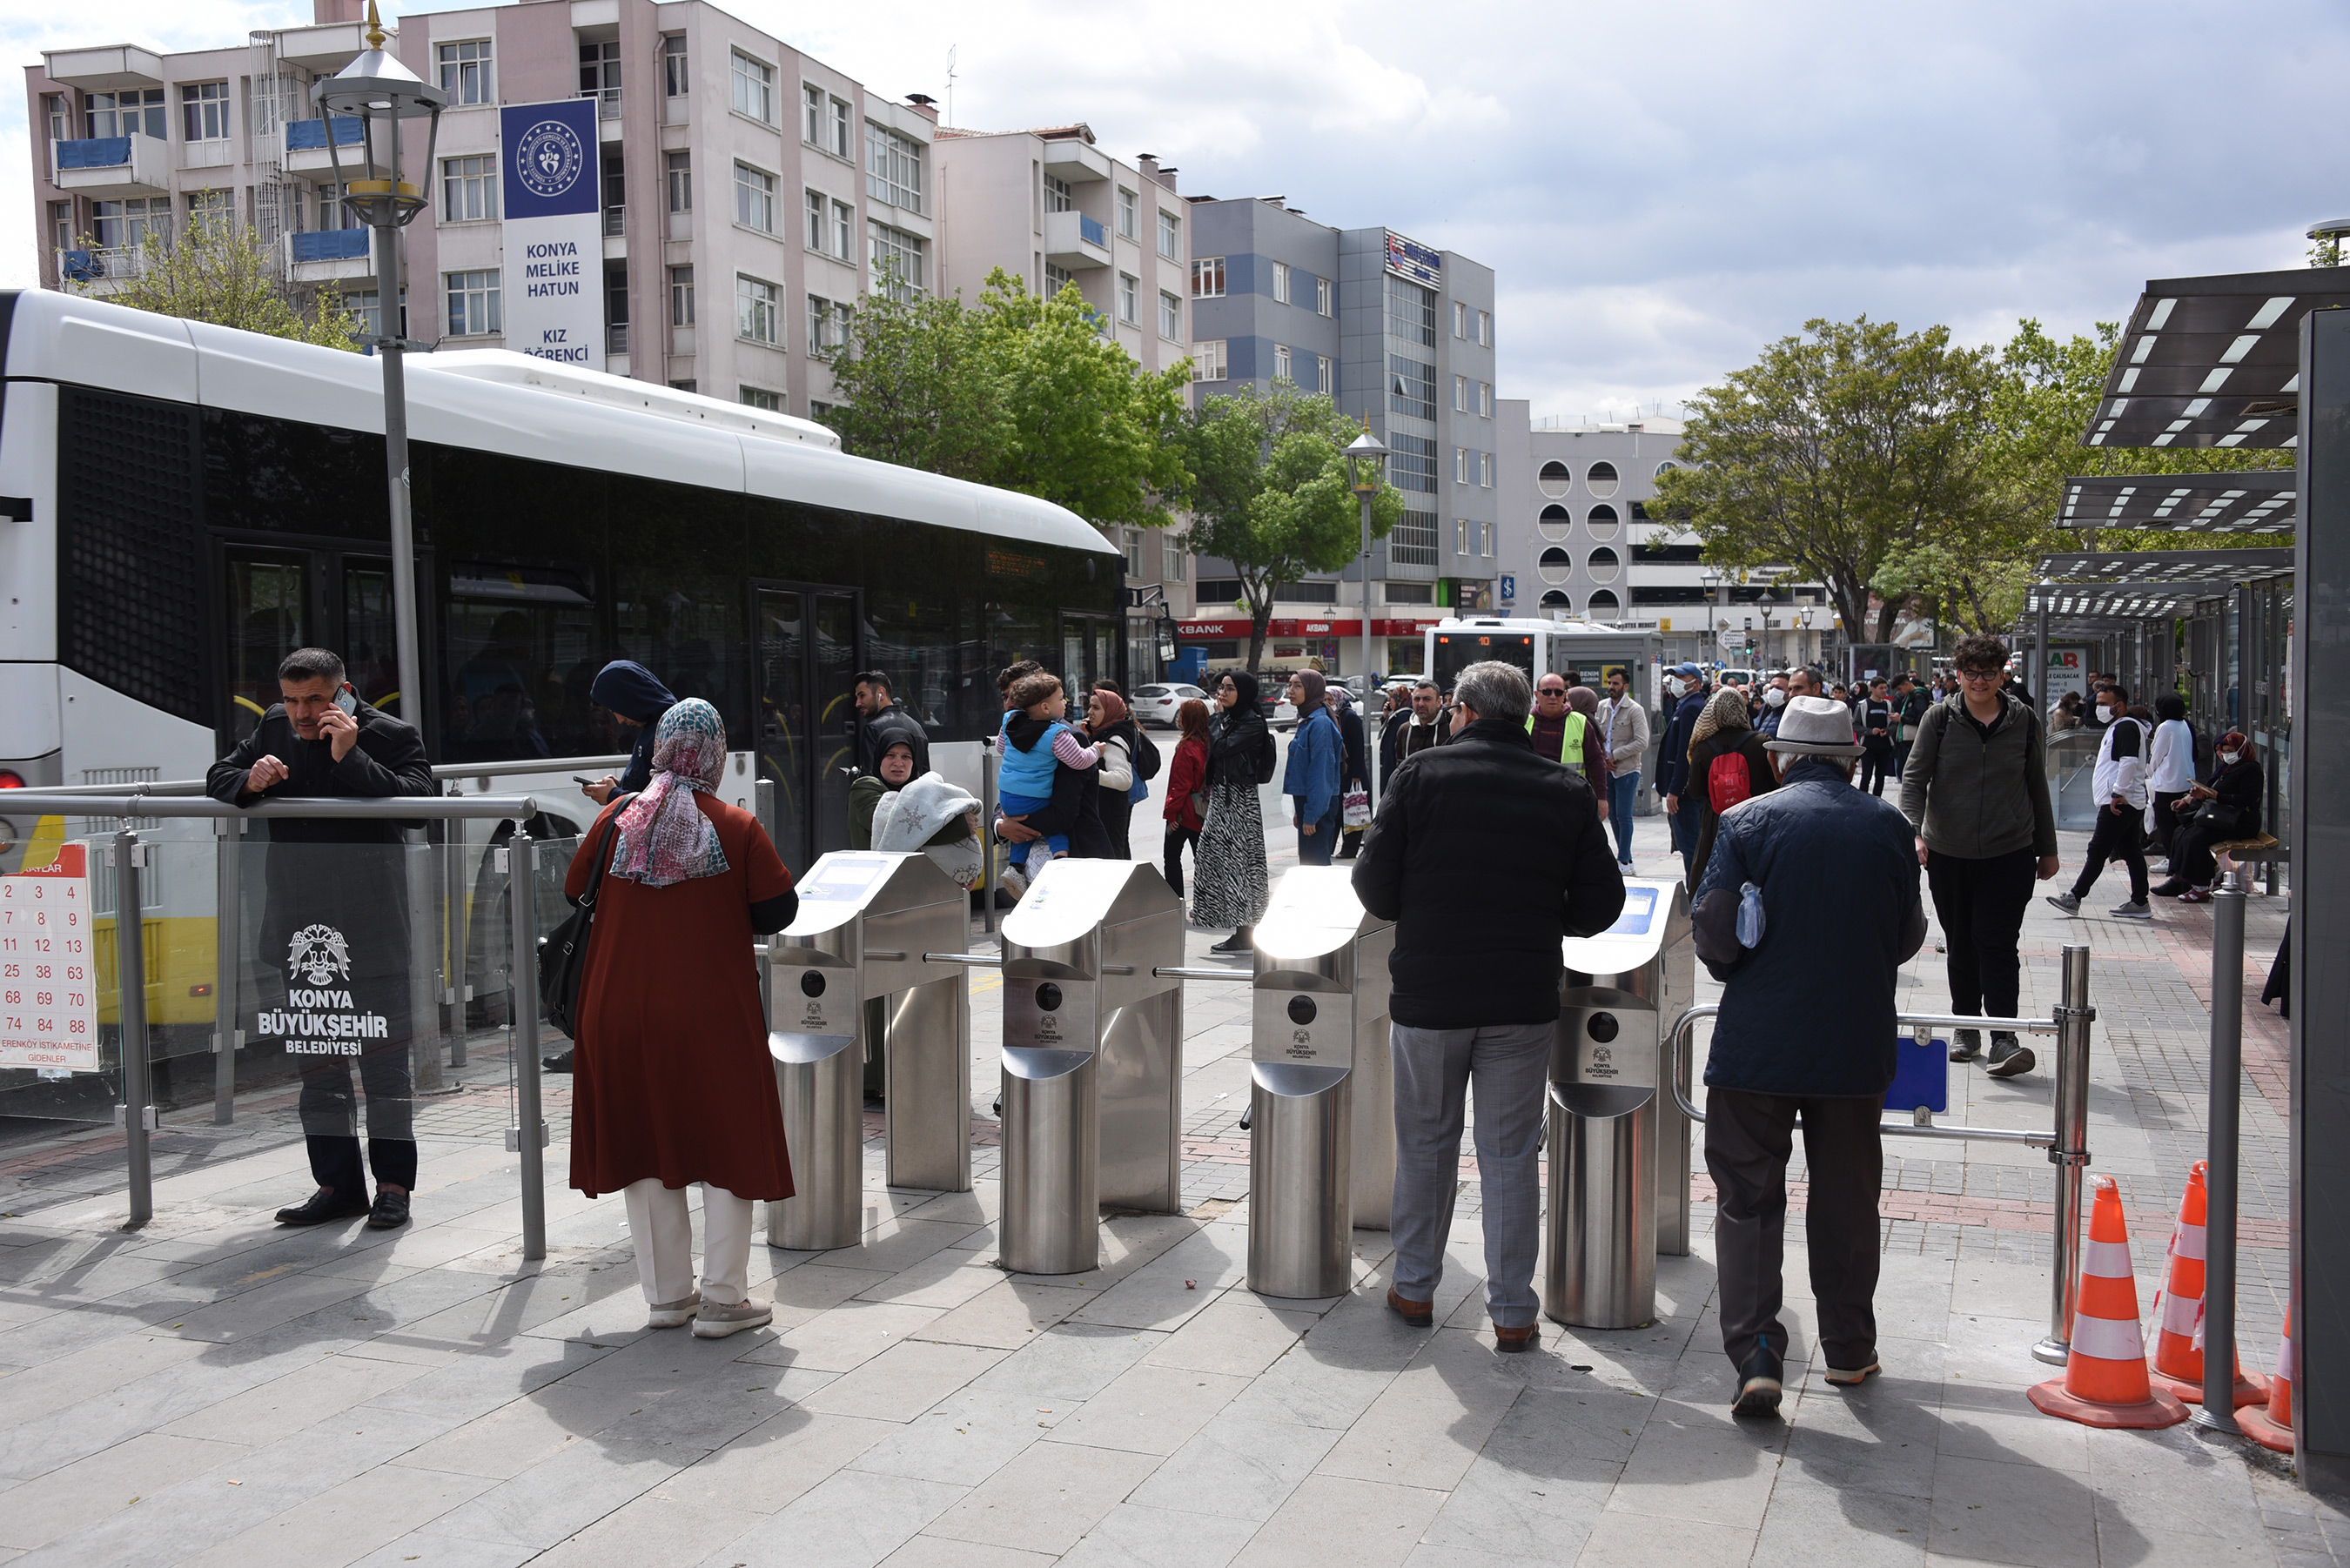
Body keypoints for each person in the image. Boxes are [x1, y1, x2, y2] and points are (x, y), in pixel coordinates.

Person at [1352, 660, 1623, 1354]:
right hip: (1520, 997)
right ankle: (1513, 1311)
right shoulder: (1562, 788)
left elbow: (1374, 887)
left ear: (1464, 711)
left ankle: (1414, 1287)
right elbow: (1601, 904)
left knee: (1425, 1143)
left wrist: (1429, 909)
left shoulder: (1420, 776)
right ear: (1524, 715)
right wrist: (1538, 914)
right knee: (1507, 1156)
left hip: (1430, 995)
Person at [1691, 694, 1926, 1416]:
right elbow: (1910, 933)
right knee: (1848, 1196)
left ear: (1780, 758)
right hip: (1854, 1042)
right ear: (1852, 760)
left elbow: (1714, 930)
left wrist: (1743, 969)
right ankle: (1850, 1349)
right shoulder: (1889, 825)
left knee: (1748, 1199)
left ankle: (1758, 1350)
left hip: (1757, 1043)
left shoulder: (1744, 821)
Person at [565, 700, 797, 1337]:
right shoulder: (737, 825)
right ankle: (724, 1299)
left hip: (615, 1010)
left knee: (644, 1144)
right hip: (710, 1013)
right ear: (717, 756)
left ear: (660, 750)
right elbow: (779, 911)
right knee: (727, 1144)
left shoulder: (616, 818)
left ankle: (668, 1297)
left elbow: (572, 889)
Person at [207, 648, 435, 1230]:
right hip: (299, 931)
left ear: (343, 692)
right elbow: (220, 776)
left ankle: (392, 1188)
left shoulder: (391, 733)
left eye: (314, 699)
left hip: (373, 931)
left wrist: (349, 755)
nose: (301, 713)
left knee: (385, 1070)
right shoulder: (274, 727)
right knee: (319, 1071)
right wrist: (250, 779)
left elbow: (416, 808)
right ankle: (336, 1185)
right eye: (291, 699)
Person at [1898, 634, 2059, 1078]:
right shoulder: (1939, 719)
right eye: (1971, 673)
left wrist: (2047, 848)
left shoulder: (2023, 721)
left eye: (1989, 673)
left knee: (1996, 940)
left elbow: (2036, 787)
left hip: (2010, 850)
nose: (1979, 681)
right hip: (1949, 851)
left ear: (2003, 672)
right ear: (1958, 674)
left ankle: (2004, 1036)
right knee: (1962, 941)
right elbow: (1913, 782)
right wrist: (1913, 833)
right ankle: (1966, 1025)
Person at [2048, 682, 2152, 920]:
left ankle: (2074, 897)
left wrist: (2117, 793)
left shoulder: (2125, 727)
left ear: (2120, 705)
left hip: (2120, 801)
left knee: (2097, 849)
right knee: (2130, 850)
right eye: (2097, 703)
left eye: (2104, 704)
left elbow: (2128, 762)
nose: (2098, 708)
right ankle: (2139, 902)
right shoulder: (2121, 727)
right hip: (2123, 799)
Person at [994, 673, 1102, 877]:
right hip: (1050, 837)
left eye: (1014, 696)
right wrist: (1096, 751)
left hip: (1079, 847)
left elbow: (1064, 811)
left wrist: (1013, 822)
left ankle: (1015, 868)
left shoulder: (1013, 724)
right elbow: (1079, 761)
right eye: (1005, 697)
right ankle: (1059, 858)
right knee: (1056, 836)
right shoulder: (1057, 735)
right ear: (1045, 706)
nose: (1010, 703)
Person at [1196, 670, 1273, 951]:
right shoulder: (1231, 719)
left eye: (1230, 688)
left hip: (1239, 800)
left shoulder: (1251, 723)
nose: (1222, 693)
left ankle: (1245, 932)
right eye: (1221, 688)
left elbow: (1222, 748)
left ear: (1244, 692)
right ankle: (1235, 924)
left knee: (1240, 864)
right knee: (1215, 860)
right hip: (1222, 797)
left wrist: (1216, 718)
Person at [1682, 685, 1777, 888]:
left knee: (1713, 879)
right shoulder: (1763, 743)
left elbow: (1695, 791)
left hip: (1716, 824)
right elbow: (1775, 784)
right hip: (1757, 821)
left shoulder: (1703, 747)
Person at [2156, 732, 2263, 901]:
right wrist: (2195, 796)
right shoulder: (2226, 768)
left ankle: (2201, 887)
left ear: (2242, 750)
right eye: (2223, 750)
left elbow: (2248, 799)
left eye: (2230, 750)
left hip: (2241, 821)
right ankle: (2185, 877)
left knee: (2196, 839)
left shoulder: (2251, 769)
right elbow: (2211, 789)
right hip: (2222, 818)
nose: (2226, 754)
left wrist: (2216, 795)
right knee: (2182, 832)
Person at [581, 660, 675, 805]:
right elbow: (647, 787)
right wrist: (621, 786)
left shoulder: (668, 732)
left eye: (618, 711)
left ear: (631, 700)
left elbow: (665, 805)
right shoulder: (653, 727)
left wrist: (614, 795)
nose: (619, 720)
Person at [1283, 670, 1345, 868]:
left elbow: (1321, 774)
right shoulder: (1307, 720)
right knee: (1309, 865)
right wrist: (1299, 812)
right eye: (1290, 685)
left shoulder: (1320, 724)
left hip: (1318, 807)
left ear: (1312, 690)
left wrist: (1311, 814)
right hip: (1308, 804)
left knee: (1316, 867)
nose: (1291, 691)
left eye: (1298, 686)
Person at [1656, 662, 1710, 884]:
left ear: (1696, 682)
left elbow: (1685, 754)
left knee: (1691, 849)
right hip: (1688, 792)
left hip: (1685, 794)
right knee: (1692, 847)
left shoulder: (1691, 707)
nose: (1675, 681)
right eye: (1674, 676)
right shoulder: (1686, 705)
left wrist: (1675, 790)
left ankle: (1695, 896)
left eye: (1681, 677)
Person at [1597, 668, 1650, 871]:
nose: (1611, 687)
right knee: (1612, 814)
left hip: (1627, 769)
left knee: (1624, 814)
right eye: (1609, 683)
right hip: (1607, 769)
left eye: (1616, 684)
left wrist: (1616, 755)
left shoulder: (1634, 710)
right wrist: (1603, 758)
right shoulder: (1602, 707)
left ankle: (1625, 858)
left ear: (1625, 686)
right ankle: (1623, 857)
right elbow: (1598, 737)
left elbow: (1642, 741)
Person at [1161, 698, 1211, 897]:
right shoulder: (1209, 743)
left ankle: (1177, 903)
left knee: (1171, 857)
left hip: (1184, 813)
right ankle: (1206, 904)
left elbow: (1180, 786)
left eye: (1182, 715)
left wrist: (1171, 814)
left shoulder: (1186, 748)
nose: (1179, 719)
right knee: (1203, 859)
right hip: (1203, 811)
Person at [1084, 687, 1141, 859]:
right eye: (1090, 706)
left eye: (1096, 708)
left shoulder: (1114, 738)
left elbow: (1124, 779)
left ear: (1109, 711)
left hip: (1109, 815)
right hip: (1102, 813)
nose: (1090, 712)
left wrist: (1091, 775)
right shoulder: (1103, 733)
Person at [2145, 694, 2197, 863]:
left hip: (2167, 784)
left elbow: (2157, 754)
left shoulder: (2166, 727)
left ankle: (2170, 859)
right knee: (2179, 824)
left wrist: (2149, 772)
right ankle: (2178, 859)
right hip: (2185, 781)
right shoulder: (2185, 725)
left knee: (2165, 825)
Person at [853, 670, 930, 780]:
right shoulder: (917, 728)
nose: (858, 703)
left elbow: (868, 779)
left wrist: (854, 775)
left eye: (862, 695)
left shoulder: (873, 728)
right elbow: (927, 777)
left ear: (881, 693)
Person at [1381, 680, 1449, 789]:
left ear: (1438, 702)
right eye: (1417, 699)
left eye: (1427, 699)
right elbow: (1399, 766)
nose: (1421, 704)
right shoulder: (1405, 730)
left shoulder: (1449, 728)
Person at [1330, 687, 1371, 861]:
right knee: (1338, 812)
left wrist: (1357, 774)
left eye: (1330, 699)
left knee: (1352, 811)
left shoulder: (1350, 717)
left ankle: (1350, 849)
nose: (1327, 703)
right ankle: (1330, 847)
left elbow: (1357, 747)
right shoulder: (1334, 717)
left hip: (1352, 775)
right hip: (1341, 774)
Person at [1856, 680, 1895, 796]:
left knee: (1880, 777)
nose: (1884, 691)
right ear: (1873, 689)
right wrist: (1869, 731)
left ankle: (1877, 800)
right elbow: (1855, 725)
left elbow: (1894, 724)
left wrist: (1887, 731)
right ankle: (1862, 800)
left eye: (1885, 688)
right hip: (1868, 746)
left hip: (1884, 746)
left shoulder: (1888, 705)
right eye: (1881, 688)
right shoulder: (1863, 705)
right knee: (1866, 775)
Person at [1891, 674, 1928, 781]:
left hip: (1912, 740)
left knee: (1909, 772)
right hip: (1904, 739)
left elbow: (1921, 718)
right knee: (1901, 771)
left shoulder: (1918, 697)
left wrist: (1902, 719)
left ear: (1906, 684)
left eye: (1900, 689)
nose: (1900, 692)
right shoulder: (1908, 697)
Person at [1755, 673, 1791, 740]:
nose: (1773, 691)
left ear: (1789, 692)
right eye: (1771, 688)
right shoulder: (1766, 712)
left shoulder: (1791, 716)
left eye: (1778, 688)